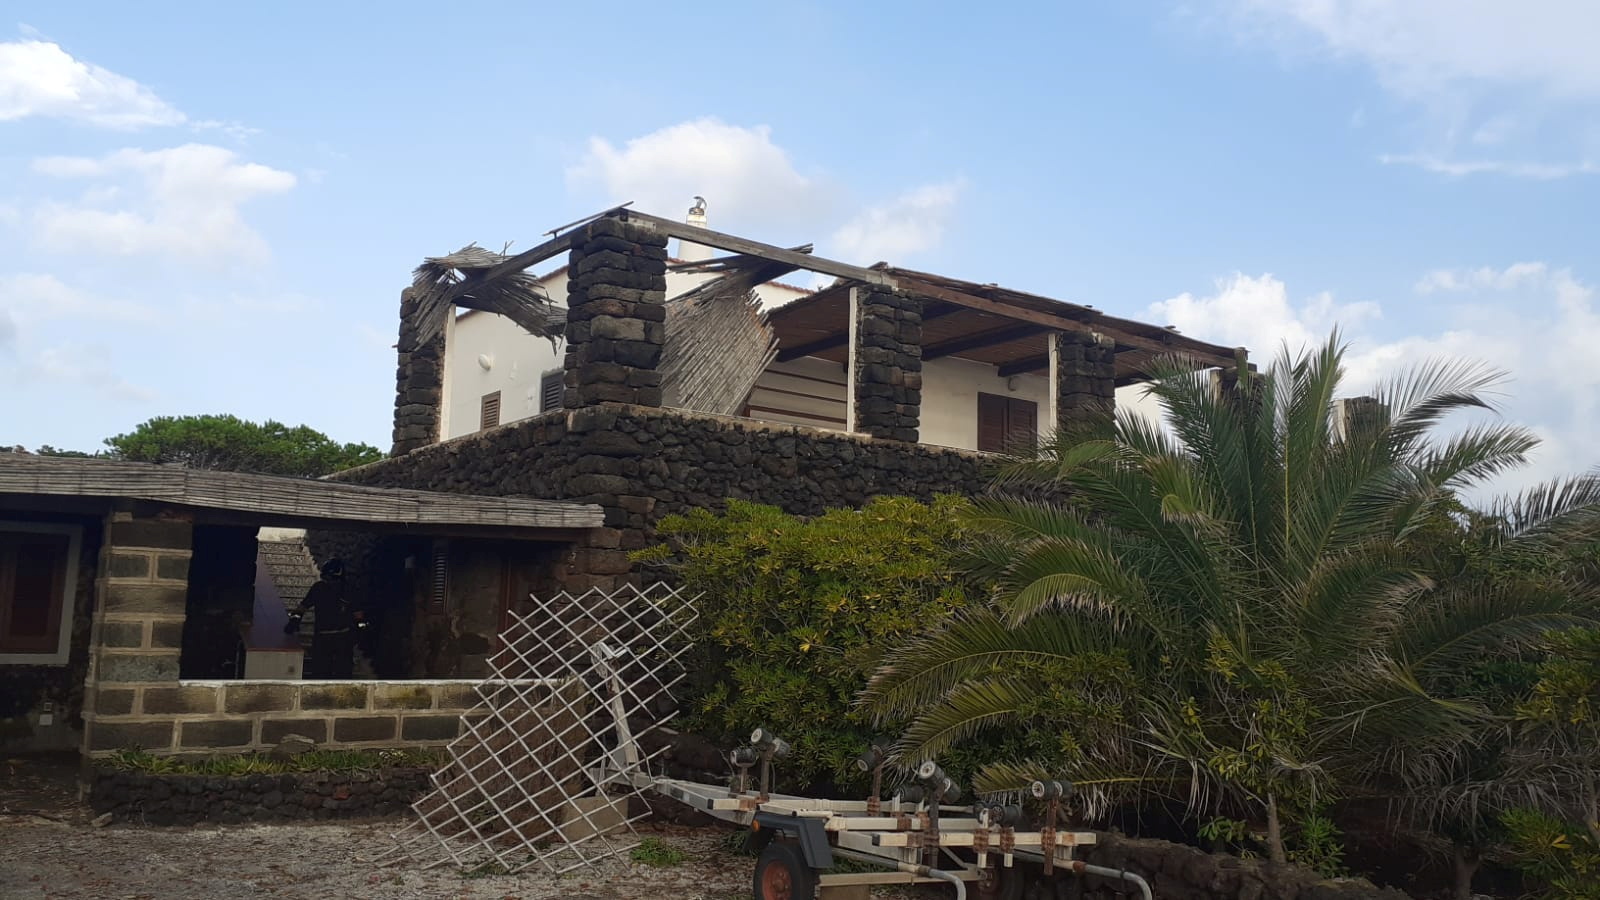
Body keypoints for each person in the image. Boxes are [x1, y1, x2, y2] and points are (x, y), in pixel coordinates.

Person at [284, 559, 365, 677]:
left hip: (331, 638)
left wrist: (295, 620)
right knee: (333, 672)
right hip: (336, 638)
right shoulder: (340, 589)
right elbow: (359, 616)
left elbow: (302, 607)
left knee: (330, 672)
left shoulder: (322, 588)